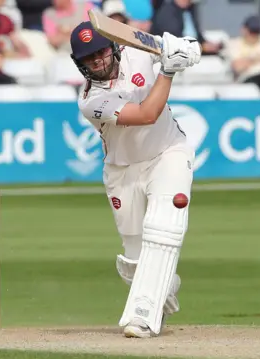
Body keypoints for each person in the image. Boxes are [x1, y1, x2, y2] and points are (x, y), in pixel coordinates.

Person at [70, 21, 201, 338]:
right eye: (89, 58)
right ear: (80, 64)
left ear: (113, 48)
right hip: (122, 171)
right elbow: (145, 115)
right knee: (133, 259)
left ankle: (142, 316)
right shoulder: (90, 100)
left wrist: (185, 50)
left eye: (101, 52)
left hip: (168, 152)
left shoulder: (138, 52)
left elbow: (186, 48)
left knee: (163, 226)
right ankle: (163, 291)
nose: (98, 61)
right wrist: (167, 73)